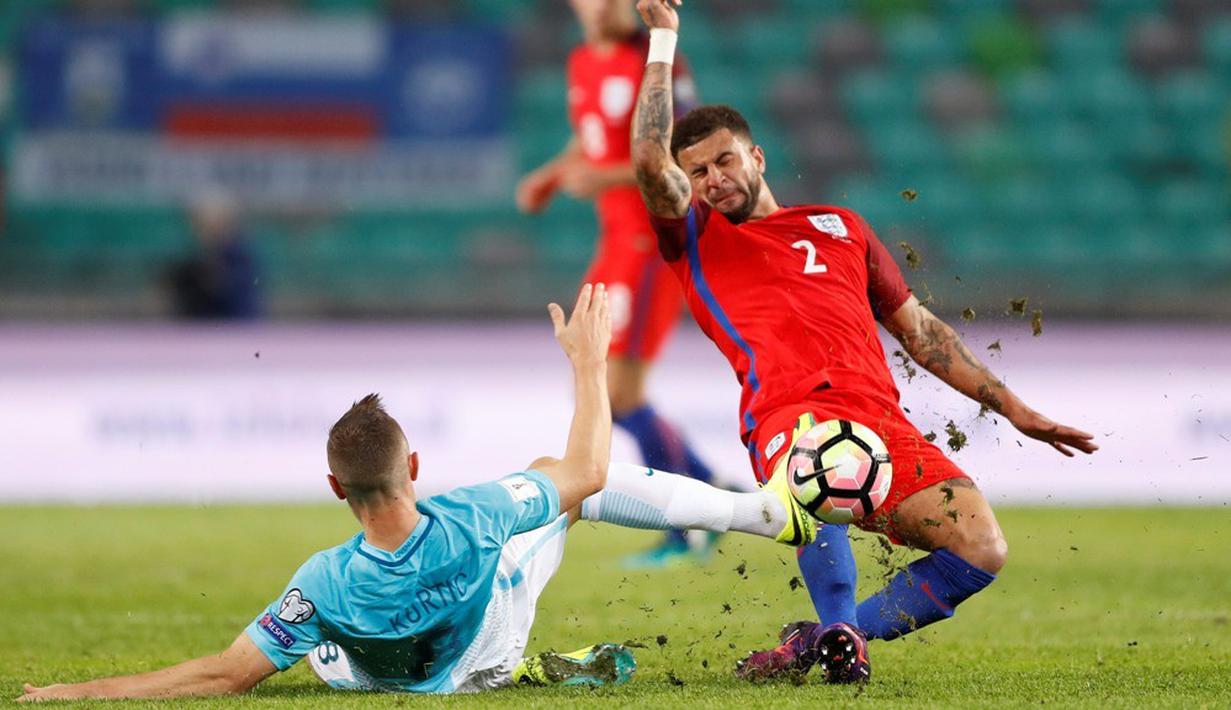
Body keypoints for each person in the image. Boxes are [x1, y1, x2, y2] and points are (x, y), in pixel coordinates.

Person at [17, 284, 815, 702]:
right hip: (489, 646)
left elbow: (224, 677)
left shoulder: (321, 580)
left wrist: (78, 691)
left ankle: (443, 668)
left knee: (325, 654)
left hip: (391, 679)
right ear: (417, 466)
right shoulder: (475, 515)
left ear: (335, 486)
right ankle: (760, 514)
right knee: (561, 479)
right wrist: (587, 364)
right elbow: (590, 469)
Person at [629, 0, 1099, 684]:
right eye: (697, 172)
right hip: (789, 414)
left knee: (981, 546)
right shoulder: (694, 237)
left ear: (756, 156)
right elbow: (648, 156)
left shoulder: (840, 226)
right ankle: (840, 636)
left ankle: (825, 639)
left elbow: (921, 333)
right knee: (820, 478)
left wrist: (1014, 409)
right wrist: (663, 40)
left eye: (723, 161)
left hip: (880, 418)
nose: (713, 179)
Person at [516, 0, 717, 568]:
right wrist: (551, 175)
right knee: (595, 385)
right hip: (615, 244)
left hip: (652, 244)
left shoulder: (658, 61)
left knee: (620, 394)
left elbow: (683, 155)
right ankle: (706, 484)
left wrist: (602, 176)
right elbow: (591, 138)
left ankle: (687, 526)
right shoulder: (581, 62)